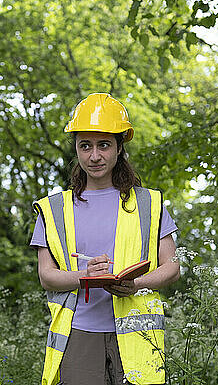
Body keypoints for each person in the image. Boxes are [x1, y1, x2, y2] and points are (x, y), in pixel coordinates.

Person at [30, 93, 180, 385]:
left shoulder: (149, 204)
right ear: (76, 147)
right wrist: (83, 276)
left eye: (104, 145)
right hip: (78, 334)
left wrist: (136, 284)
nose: (94, 156)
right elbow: (46, 276)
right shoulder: (54, 209)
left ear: (119, 147)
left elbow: (172, 266)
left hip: (137, 333)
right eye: (85, 145)